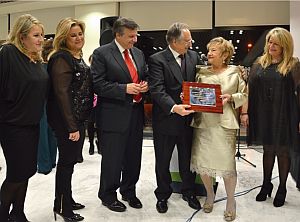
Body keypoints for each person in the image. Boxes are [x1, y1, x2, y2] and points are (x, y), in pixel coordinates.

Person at [91, 17, 148, 212]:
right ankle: (107, 195)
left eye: (136, 35)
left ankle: (129, 191)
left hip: (136, 114)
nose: (135, 40)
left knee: (134, 157)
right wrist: (124, 88)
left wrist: (144, 85)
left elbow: (143, 75)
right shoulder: (102, 53)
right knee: (113, 160)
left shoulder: (138, 54)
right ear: (118, 35)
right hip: (113, 116)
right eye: (131, 36)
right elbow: (97, 84)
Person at [241, 27, 300, 208]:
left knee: (282, 151)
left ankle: (282, 188)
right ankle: (266, 184)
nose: (271, 46)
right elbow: (249, 89)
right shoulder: (259, 63)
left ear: (284, 45)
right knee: (267, 150)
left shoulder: (294, 64)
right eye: (269, 42)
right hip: (264, 113)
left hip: (285, 112)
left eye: (276, 43)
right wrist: (245, 112)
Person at [190, 37, 247, 221]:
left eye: (214, 50)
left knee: (227, 165)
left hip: (225, 124)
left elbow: (244, 95)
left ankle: (231, 201)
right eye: (209, 50)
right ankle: (210, 195)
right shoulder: (201, 72)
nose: (209, 53)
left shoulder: (235, 72)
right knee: (203, 164)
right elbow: (195, 95)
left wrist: (230, 97)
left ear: (224, 55)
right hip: (204, 124)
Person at [148, 22, 202, 213]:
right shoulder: (157, 60)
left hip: (189, 120)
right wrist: (173, 106)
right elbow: (157, 89)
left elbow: (198, 84)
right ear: (173, 41)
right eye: (187, 40)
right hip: (166, 119)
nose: (190, 43)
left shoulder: (193, 56)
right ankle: (163, 194)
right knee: (163, 160)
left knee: (187, 159)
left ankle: (189, 191)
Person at [0, 14, 48, 221]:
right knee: (16, 174)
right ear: (21, 36)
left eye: (42, 35)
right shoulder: (8, 53)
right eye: (36, 35)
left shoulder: (35, 59)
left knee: (27, 171)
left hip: (31, 125)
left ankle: (18, 212)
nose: (41, 40)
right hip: (12, 126)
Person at [47, 17, 93, 221]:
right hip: (67, 122)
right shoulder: (61, 58)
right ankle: (63, 208)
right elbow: (61, 94)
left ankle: (65, 200)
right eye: (72, 35)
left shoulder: (76, 56)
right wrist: (72, 126)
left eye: (80, 34)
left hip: (76, 119)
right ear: (63, 37)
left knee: (70, 164)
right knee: (66, 165)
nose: (78, 38)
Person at [37, 39, 58, 175]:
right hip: (54, 102)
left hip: (40, 102)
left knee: (42, 134)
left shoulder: (40, 67)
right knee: (52, 132)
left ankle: (44, 165)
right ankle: (51, 161)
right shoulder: (55, 66)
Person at [87, 55, 101, 155]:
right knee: (90, 124)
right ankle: (91, 143)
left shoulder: (102, 72)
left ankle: (99, 143)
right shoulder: (87, 71)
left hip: (100, 102)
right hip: (90, 102)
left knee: (100, 125)